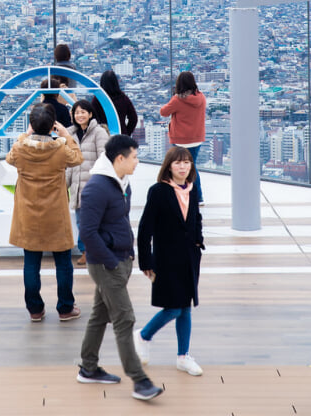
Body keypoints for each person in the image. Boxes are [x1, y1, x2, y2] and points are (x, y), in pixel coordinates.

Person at [77, 135, 163, 401]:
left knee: (99, 316)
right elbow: (88, 233)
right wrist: (112, 262)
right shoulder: (96, 188)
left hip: (120, 260)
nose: (138, 162)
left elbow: (120, 223)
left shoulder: (121, 184)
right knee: (125, 319)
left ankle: (88, 368)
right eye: (135, 157)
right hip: (107, 264)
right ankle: (140, 381)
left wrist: (129, 255)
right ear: (120, 158)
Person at [6, 103, 83, 322]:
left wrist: (25, 134)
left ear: (32, 124)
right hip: (55, 212)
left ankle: (35, 310)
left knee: (31, 262)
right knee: (63, 262)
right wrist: (67, 135)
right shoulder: (59, 148)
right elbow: (77, 158)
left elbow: (10, 159)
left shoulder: (21, 148)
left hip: (28, 212)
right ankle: (66, 308)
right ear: (52, 126)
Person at [135, 145, 205, 376]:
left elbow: (196, 217)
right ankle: (143, 335)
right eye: (178, 163)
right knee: (174, 307)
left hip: (189, 257)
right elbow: (145, 228)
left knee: (185, 307)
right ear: (169, 166)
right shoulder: (158, 191)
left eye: (187, 162)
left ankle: (183, 356)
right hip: (166, 258)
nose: (183, 166)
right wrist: (145, 261)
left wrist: (198, 242)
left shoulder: (193, 190)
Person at [66, 99, 108, 267]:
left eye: (83, 112)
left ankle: (97, 251)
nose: (80, 115)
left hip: (93, 186)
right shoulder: (70, 135)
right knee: (80, 222)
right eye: (77, 112)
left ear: (90, 114)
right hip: (77, 187)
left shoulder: (99, 132)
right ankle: (85, 252)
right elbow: (68, 162)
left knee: (95, 222)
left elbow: (104, 159)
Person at [160, 70, 206, 205]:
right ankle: (198, 197)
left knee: (179, 168)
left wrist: (174, 97)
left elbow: (163, 112)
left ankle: (183, 195)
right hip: (197, 138)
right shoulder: (201, 97)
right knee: (192, 166)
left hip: (181, 139)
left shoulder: (178, 99)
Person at [90, 70, 138, 136]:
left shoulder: (98, 99)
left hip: (102, 135)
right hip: (121, 135)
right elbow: (133, 118)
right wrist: (127, 133)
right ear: (116, 82)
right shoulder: (123, 98)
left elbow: (91, 118)